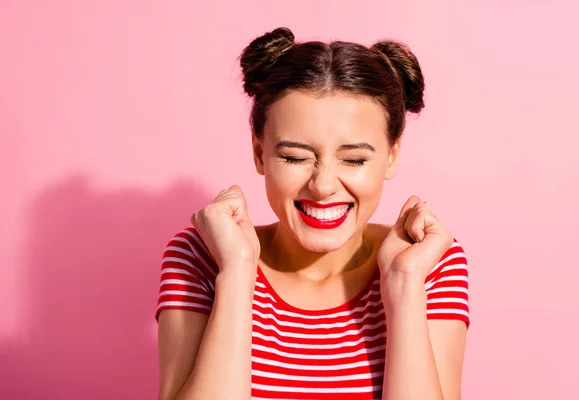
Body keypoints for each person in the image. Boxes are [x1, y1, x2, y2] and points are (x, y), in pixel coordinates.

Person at [155, 27, 470, 400]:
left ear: (392, 157)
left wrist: (403, 286)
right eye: (295, 157)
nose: (323, 185)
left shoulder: (429, 263)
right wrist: (238, 272)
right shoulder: (201, 257)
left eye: (354, 160)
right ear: (259, 153)